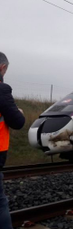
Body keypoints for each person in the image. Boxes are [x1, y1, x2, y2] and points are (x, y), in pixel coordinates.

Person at [0, 52, 25, 229]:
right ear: (2, 67)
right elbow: (17, 122)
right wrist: (21, 113)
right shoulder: (2, 89)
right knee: (0, 202)